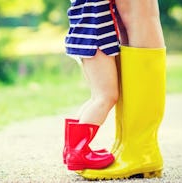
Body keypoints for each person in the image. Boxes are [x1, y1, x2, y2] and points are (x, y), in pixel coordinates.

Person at [62, 0, 120, 171]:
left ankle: (72, 149)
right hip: (96, 37)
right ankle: (77, 152)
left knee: (97, 97)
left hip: (88, 35)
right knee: (106, 97)